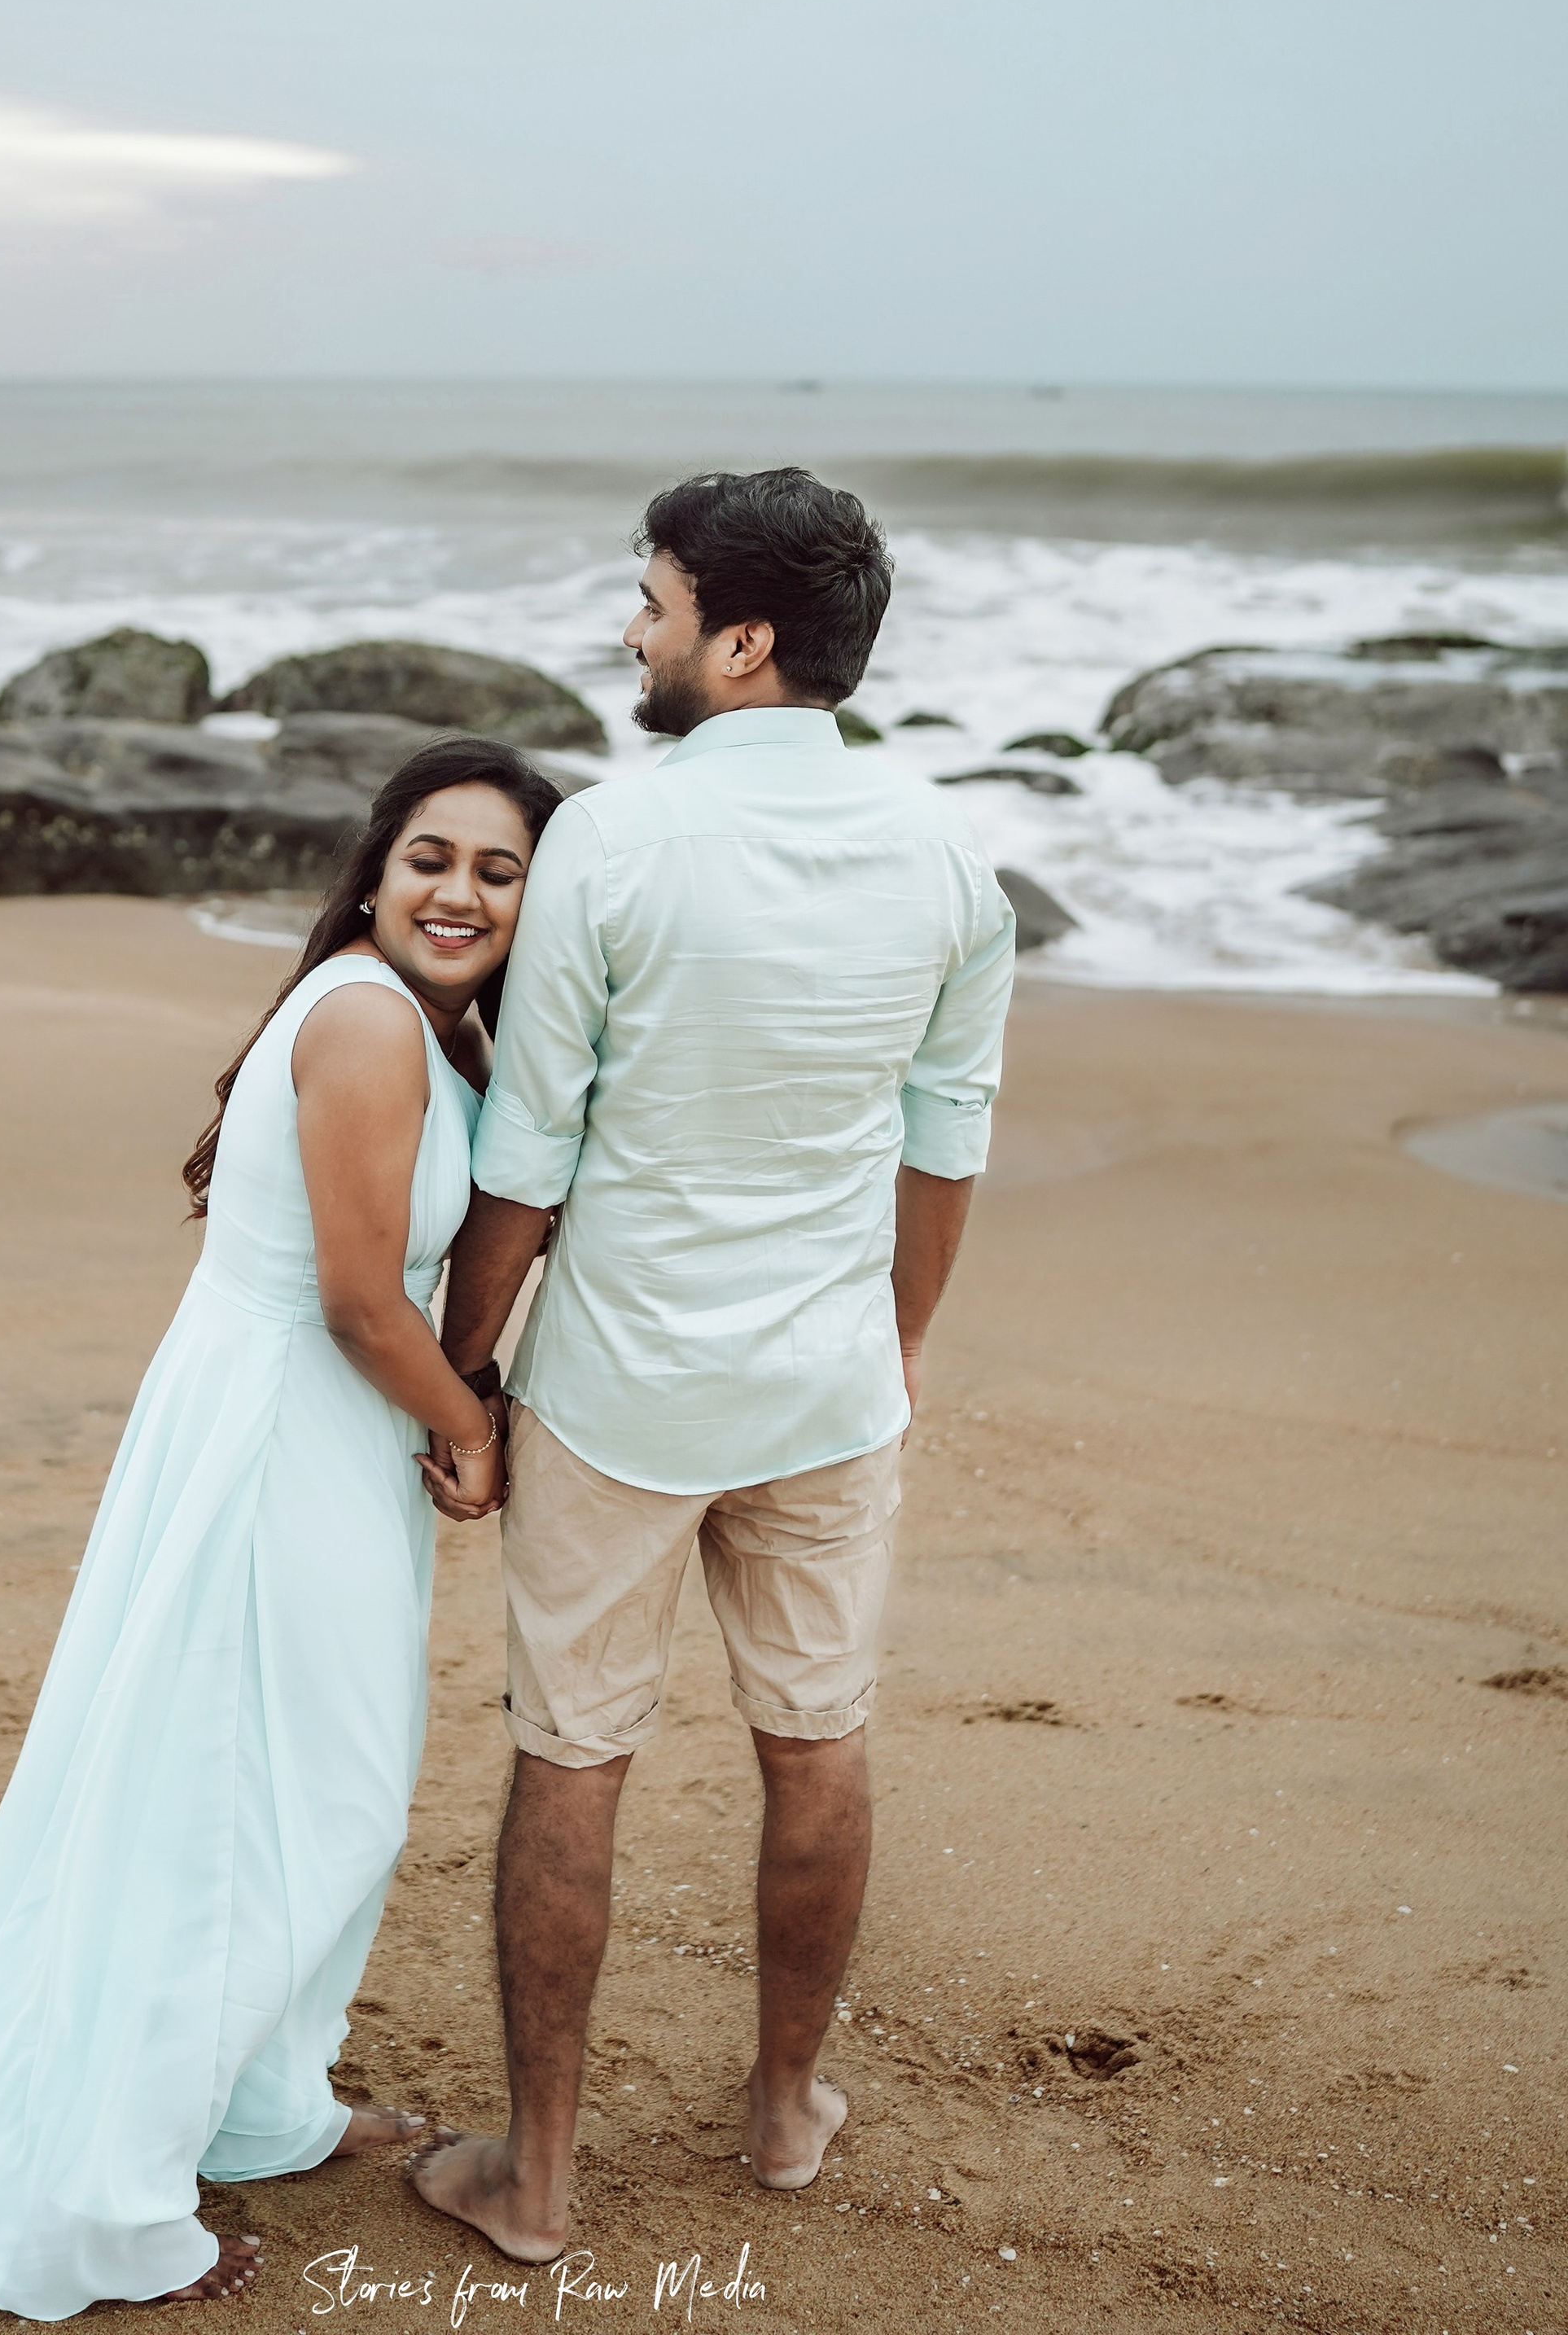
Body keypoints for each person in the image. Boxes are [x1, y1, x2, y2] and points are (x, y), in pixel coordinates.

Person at [0, 738, 561, 2319]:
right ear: (374, 870)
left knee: (307, 1792)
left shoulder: (434, 1029)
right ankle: (96, 2206)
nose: (455, 891)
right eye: (429, 858)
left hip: (307, 1431)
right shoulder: (371, 1025)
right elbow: (362, 1302)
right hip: (277, 1441)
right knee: (250, 1804)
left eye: (497, 872)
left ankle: (257, 2106)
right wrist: (467, 1432)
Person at [409, 469, 1018, 2262]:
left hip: (618, 1396)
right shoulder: (945, 854)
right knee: (814, 1741)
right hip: (826, 1391)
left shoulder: (612, 837)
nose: (632, 630)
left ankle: (534, 2174)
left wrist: (462, 1385)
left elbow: (528, 1156)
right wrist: (887, 1353)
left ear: (740, 642)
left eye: (654, 603)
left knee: (570, 1757)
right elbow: (943, 1143)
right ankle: (779, 2113)